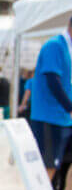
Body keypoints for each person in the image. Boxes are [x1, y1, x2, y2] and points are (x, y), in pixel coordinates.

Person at [29, 16, 72, 177]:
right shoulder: (55, 46)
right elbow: (52, 80)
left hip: (63, 117)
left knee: (61, 165)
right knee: (47, 166)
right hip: (49, 116)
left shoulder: (67, 48)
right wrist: (70, 107)